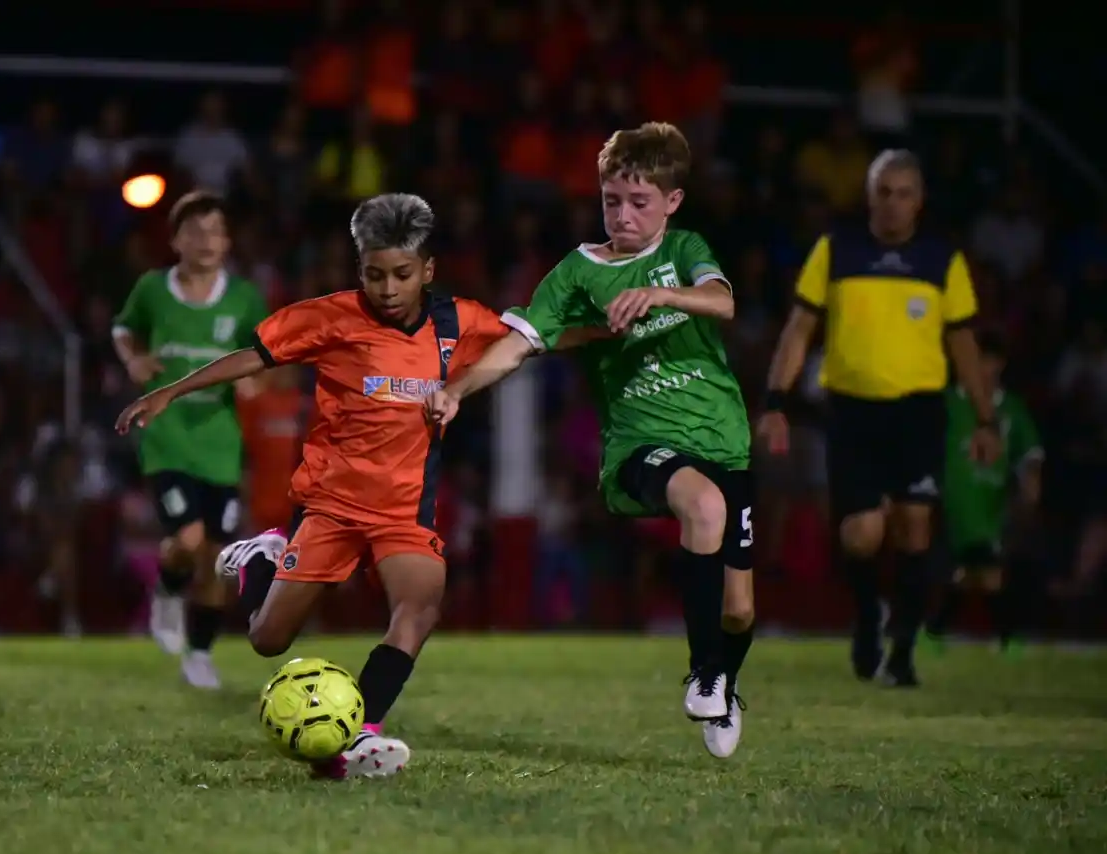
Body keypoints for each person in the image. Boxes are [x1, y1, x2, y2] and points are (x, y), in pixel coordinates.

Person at [117, 193, 510, 779]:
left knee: (420, 604)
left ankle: (359, 734)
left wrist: (613, 324)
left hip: (404, 510)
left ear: (427, 270)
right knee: (266, 639)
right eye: (374, 274)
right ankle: (262, 557)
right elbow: (253, 357)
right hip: (331, 506)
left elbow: (526, 338)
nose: (388, 287)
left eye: (402, 274)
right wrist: (171, 389)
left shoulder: (459, 322)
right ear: (360, 271)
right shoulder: (330, 318)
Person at [426, 122, 755, 760]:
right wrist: (458, 389)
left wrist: (660, 293)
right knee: (704, 506)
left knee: (739, 610)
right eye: (612, 201)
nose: (623, 215)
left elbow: (723, 302)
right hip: (641, 444)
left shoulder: (686, 251)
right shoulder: (576, 273)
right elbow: (518, 344)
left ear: (673, 202)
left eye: (639, 202)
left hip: (724, 439)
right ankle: (703, 672)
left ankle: (725, 679)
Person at [759, 149, 1000, 687]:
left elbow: (964, 345)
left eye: (904, 193)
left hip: (917, 412)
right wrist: (776, 401)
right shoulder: (836, 250)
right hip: (853, 412)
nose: (893, 204)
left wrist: (986, 420)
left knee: (915, 526)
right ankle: (869, 617)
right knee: (862, 536)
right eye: (884, 192)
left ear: (921, 201)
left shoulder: (942, 261)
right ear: (869, 197)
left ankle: (903, 653)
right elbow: (799, 330)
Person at [112, 191, 268, 689]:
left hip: (219, 443)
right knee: (189, 538)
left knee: (217, 558)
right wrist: (134, 360)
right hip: (168, 437)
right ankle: (166, 590)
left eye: (216, 232)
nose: (207, 241)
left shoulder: (244, 297)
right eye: (196, 232)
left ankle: (199, 653)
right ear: (176, 239)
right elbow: (123, 329)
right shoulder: (153, 290)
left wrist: (254, 381)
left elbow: (263, 356)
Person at [924, 336, 1042, 651]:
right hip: (956, 503)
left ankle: (935, 632)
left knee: (973, 574)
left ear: (1000, 364)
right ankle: (1007, 639)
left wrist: (1031, 486)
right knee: (986, 571)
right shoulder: (949, 403)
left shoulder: (1012, 409)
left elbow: (1029, 454)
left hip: (994, 504)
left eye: (986, 360)